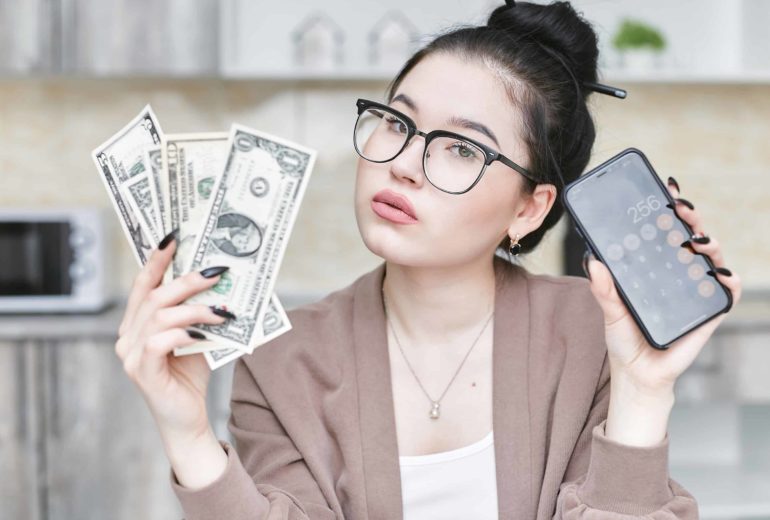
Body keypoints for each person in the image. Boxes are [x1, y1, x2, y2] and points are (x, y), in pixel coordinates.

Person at [114, 1, 741, 519]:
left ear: (529, 208)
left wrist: (642, 389)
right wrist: (189, 435)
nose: (404, 163)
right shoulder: (280, 360)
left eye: (462, 149)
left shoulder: (598, 335)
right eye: (396, 121)